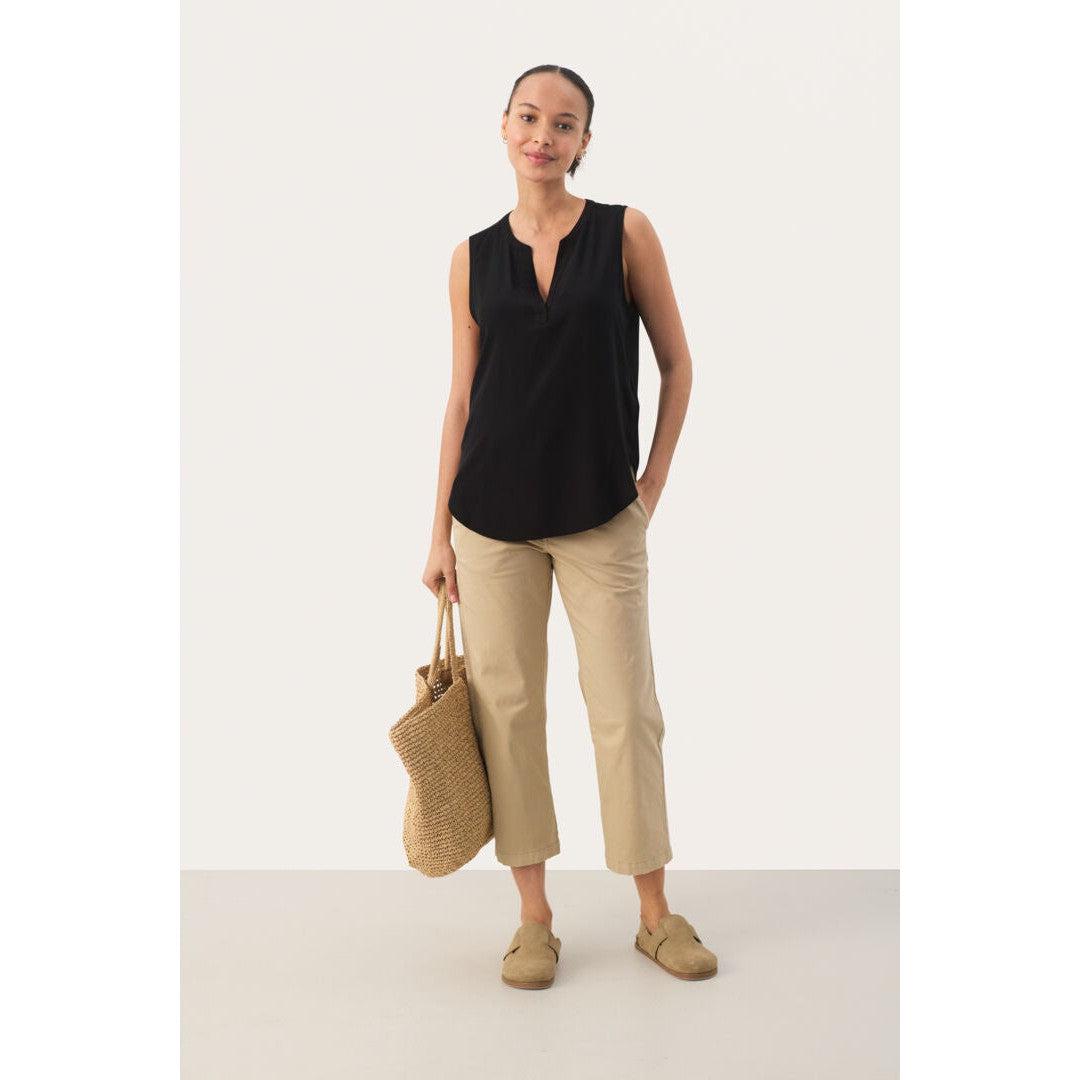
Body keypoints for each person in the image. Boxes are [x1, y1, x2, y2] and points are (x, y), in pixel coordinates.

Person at [422, 64, 718, 988]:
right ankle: (534, 919)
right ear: (504, 127)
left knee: (626, 712)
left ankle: (655, 915)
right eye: (528, 117)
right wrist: (438, 533)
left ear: (585, 140)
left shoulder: (625, 233)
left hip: (600, 515)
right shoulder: (472, 256)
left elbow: (677, 364)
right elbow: (462, 399)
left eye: (563, 123)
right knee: (508, 715)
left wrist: (651, 483)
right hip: (491, 521)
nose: (542, 136)